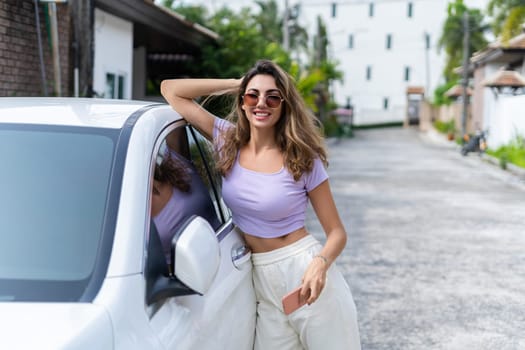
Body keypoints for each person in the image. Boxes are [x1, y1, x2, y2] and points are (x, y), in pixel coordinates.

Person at [161, 59, 361, 350]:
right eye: (253, 95)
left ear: (283, 105)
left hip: (304, 272)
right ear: (242, 102)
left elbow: (337, 233)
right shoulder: (226, 139)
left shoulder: (301, 157)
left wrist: (320, 264)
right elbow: (172, 91)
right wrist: (236, 84)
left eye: (273, 97)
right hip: (261, 281)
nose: (261, 103)